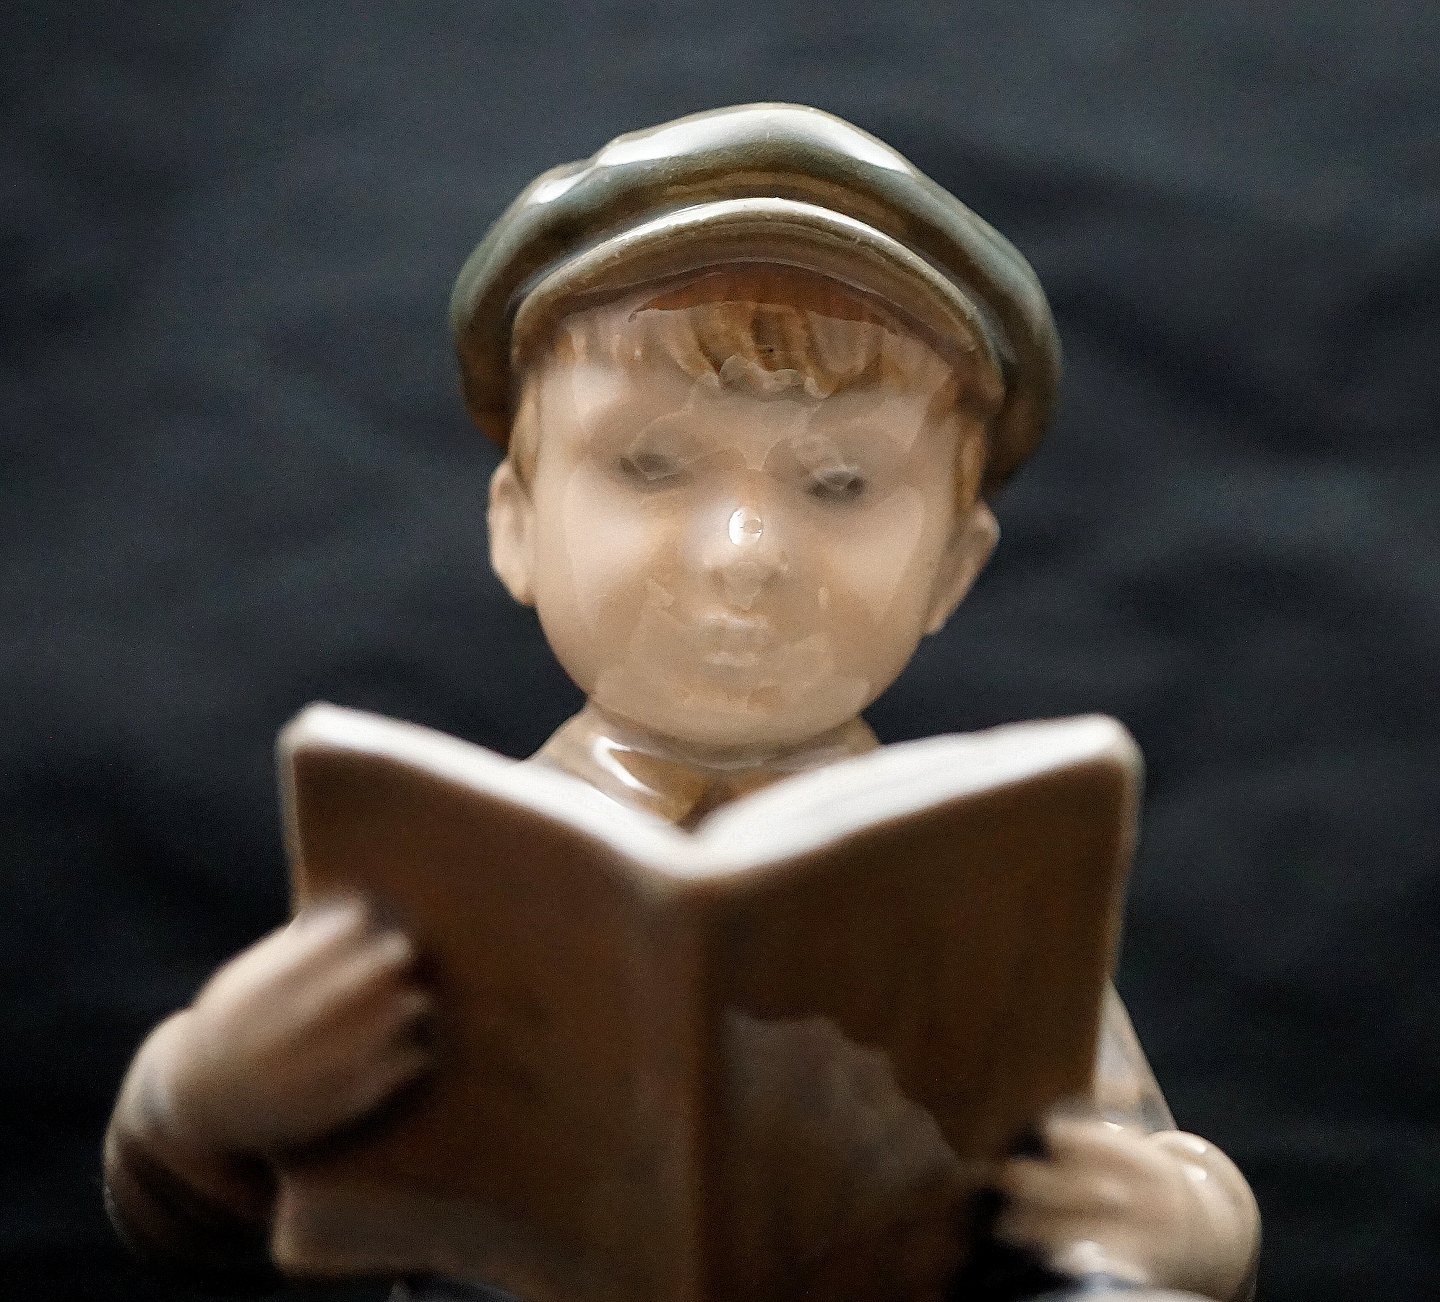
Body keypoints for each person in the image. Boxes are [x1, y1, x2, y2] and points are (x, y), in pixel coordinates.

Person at [105, 105, 1259, 1302]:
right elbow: (195, 1221)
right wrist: (197, 1103)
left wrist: (1185, 1218)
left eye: (841, 482)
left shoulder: (969, 889)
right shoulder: (450, 875)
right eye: (650, 464)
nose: (745, 551)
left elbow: (1135, 1158)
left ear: (953, 571)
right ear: (515, 524)